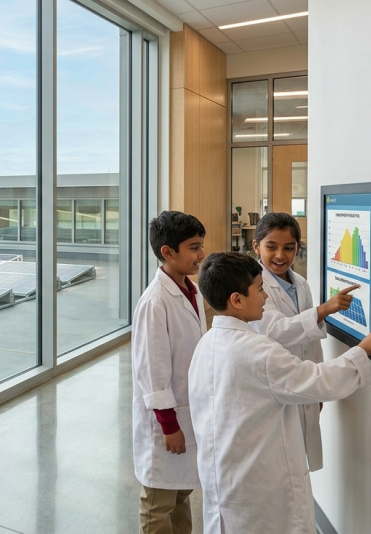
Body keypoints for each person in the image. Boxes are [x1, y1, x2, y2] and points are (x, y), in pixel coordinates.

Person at [188, 252, 371, 534]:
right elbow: (318, 381)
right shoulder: (258, 352)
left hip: (225, 481)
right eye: (259, 290)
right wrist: (363, 350)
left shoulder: (206, 344)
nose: (266, 297)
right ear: (237, 300)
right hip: (260, 488)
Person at [249, 212, 360, 471]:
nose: (280, 255)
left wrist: (317, 390)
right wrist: (323, 310)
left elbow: (311, 343)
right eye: (271, 247)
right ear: (256, 247)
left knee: (297, 462)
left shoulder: (299, 283)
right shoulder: (254, 285)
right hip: (274, 383)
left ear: (298, 248)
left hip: (300, 381)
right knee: (278, 463)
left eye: (289, 248)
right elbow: (274, 330)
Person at [130, 210, 207, 534]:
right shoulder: (155, 302)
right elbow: (153, 371)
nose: (201, 255)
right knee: (158, 501)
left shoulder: (191, 291)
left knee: (181, 492)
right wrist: (168, 424)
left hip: (188, 410)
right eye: (193, 247)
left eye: (201, 246)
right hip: (167, 420)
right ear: (168, 252)